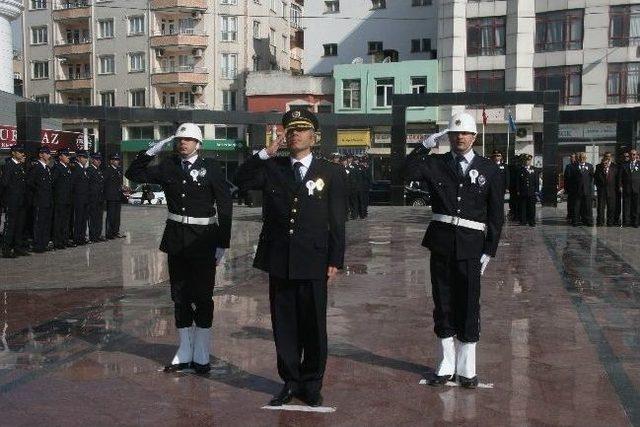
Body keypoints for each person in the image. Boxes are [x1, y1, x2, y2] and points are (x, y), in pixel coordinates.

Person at [235, 109, 346, 407]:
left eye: (301, 129)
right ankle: (290, 381)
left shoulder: (330, 171)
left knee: (313, 325)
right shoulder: (273, 168)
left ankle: (311, 383)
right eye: (290, 130)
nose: (295, 134)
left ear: (314, 136)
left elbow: (337, 221)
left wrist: (335, 259)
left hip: (314, 260)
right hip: (279, 258)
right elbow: (239, 179)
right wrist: (264, 154)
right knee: (284, 325)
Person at [404, 112, 504, 389]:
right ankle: (446, 364)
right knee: (443, 302)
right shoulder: (435, 164)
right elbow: (403, 173)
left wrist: (490, 249)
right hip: (442, 242)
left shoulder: (489, 169)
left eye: (465, 133)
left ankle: (467, 367)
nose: (460, 137)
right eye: (455, 133)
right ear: (448, 137)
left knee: (469, 303)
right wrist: (424, 146)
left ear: (474, 137)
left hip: (472, 245)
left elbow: (496, 214)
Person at [126, 123, 232, 374]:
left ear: (198, 144)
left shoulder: (212, 168)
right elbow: (134, 173)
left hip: (204, 239)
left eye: (188, 139)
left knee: (203, 296)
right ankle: (184, 350)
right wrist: (152, 150)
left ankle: (202, 351)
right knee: (180, 295)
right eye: (179, 140)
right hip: (176, 238)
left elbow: (225, 206)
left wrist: (222, 242)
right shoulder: (168, 166)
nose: (182, 143)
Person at [1, 145, 29, 258]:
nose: (22, 154)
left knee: (19, 225)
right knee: (10, 226)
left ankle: (17, 248)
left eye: (23, 152)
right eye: (20, 152)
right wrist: (6, 200)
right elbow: (4, 184)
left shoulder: (20, 166)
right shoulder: (9, 166)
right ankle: (6, 249)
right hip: (12, 201)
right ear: (13, 153)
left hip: (21, 201)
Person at [26, 146, 53, 252]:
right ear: (41, 155)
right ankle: (38, 245)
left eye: (49, 153)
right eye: (46, 153)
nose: (49, 155)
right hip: (39, 200)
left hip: (47, 200)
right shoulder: (36, 167)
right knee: (39, 223)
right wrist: (39, 191)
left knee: (46, 223)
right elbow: (30, 182)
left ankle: (44, 243)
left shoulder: (47, 168)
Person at [51, 148, 74, 249]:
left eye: (68, 155)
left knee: (66, 221)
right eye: (66, 155)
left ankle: (64, 240)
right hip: (60, 199)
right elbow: (53, 184)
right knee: (58, 221)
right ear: (60, 157)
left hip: (67, 199)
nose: (68, 157)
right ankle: (58, 241)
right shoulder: (57, 168)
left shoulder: (67, 168)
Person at [569, 152, 594, 227]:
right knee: (576, 206)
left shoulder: (590, 166)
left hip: (587, 190)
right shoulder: (573, 167)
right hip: (577, 191)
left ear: (586, 158)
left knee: (587, 207)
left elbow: (591, 178)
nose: (582, 159)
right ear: (578, 158)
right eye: (581, 157)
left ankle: (588, 221)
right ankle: (575, 221)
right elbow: (571, 179)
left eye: (584, 157)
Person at [103, 153, 125, 239]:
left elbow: (118, 183)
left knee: (117, 216)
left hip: (118, 196)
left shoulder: (119, 170)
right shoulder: (107, 170)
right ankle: (109, 233)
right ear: (111, 161)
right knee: (111, 216)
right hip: (111, 197)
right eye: (115, 160)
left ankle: (116, 232)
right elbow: (105, 183)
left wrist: (123, 188)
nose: (117, 161)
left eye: (118, 159)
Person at [71, 150, 91, 245]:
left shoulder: (83, 169)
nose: (85, 159)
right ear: (78, 158)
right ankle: (77, 238)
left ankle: (82, 237)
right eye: (83, 157)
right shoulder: (76, 169)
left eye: (86, 158)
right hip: (78, 199)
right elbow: (73, 184)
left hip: (85, 199)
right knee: (78, 219)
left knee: (84, 219)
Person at [594, 152, 619, 227]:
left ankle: (610, 222)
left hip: (611, 190)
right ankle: (600, 222)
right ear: (604, 157)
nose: (607, 158)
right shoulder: (599, 166)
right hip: (602, 190)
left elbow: (617, 179)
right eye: (606, 156)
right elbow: (595, 178)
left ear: (611, 157)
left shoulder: (615, 167)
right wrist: (598, 187)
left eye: (609, 156)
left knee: (611, 207)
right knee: (600, 207)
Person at [87, 153, 106, 242]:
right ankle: (93, 236)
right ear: (92, 160)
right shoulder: (89, 170)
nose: (99, 161)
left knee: (99, 217)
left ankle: (98, 235)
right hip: (92, 198)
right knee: (93, 218)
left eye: (100, 160)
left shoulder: (99, 171)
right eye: (96, 159)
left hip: (99, 198)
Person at [516, 154, 539, 227]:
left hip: (531, 191)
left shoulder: (534, 169)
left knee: (532, 207)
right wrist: (518, 190)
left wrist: (536, 190)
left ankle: (532, 221)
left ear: (530, 161)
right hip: (523, 191)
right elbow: (518, 181)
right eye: (526, 160)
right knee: (523, 207)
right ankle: (523, 221)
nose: (527, 162)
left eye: (529, 160)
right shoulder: (520, 169)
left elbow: (536, 181)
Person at [620, 149, 640, 227]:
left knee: (636, 206)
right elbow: (620, 177)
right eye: (631, 155)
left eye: (634, 154)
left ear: (636, 155)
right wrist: (620, 186)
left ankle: (635, 222)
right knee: (626, 206)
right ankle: (626, 222)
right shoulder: (624, 165)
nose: (632, 156)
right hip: (627, 188)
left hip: (637, 188)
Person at [563, 153, 577, 222]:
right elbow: (565, 178)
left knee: (576, 203)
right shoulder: (568, 166)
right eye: (571, 157)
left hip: (577, 188)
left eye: (573, 157)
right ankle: (569, 215)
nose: (572, 158)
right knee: (570, 203)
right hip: (570, 188)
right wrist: (565, 188)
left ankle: (576, 215)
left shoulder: (578, 165)